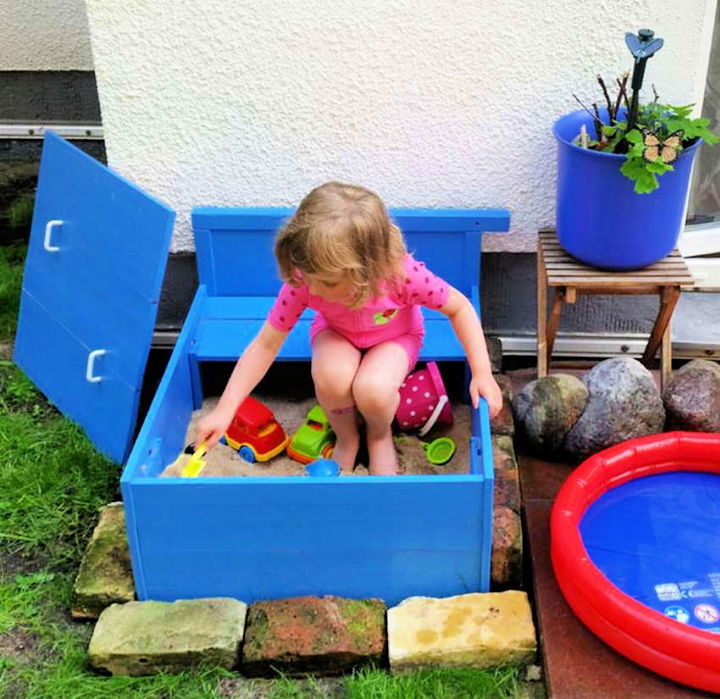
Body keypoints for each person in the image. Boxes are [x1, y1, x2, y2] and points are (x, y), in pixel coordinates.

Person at [194, 181, 503, 475]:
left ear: (366, 272)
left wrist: (482, 372)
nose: (313, 286)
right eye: (309, 275)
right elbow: (265, 345)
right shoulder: (307, 278)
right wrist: (225, 409)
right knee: (332, 377)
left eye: (328, 282)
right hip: (337, 332)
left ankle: (378, 437)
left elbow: (459, 307)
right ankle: (347, 437)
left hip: (395, 338)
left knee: (372, 389)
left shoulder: (401, 276)